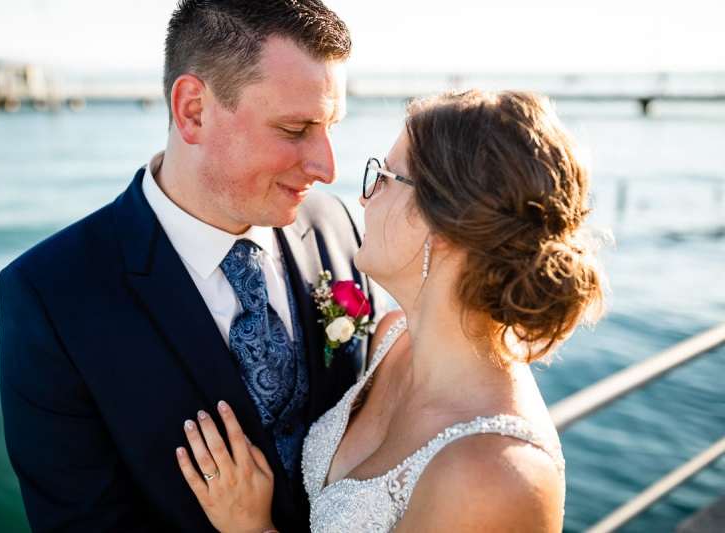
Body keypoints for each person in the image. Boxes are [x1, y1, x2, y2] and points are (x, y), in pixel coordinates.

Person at [0, 1, 379, 531]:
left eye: (331, 125)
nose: (327, 165)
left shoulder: (337, 225)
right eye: (296, 129)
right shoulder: (52, 296)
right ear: (193, 109)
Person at [174, 90, 606, 532]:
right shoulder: (392, 339)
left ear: (442, 224)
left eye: (383, 178)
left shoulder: (493, 475)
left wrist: (250, 527)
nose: (363, 199)